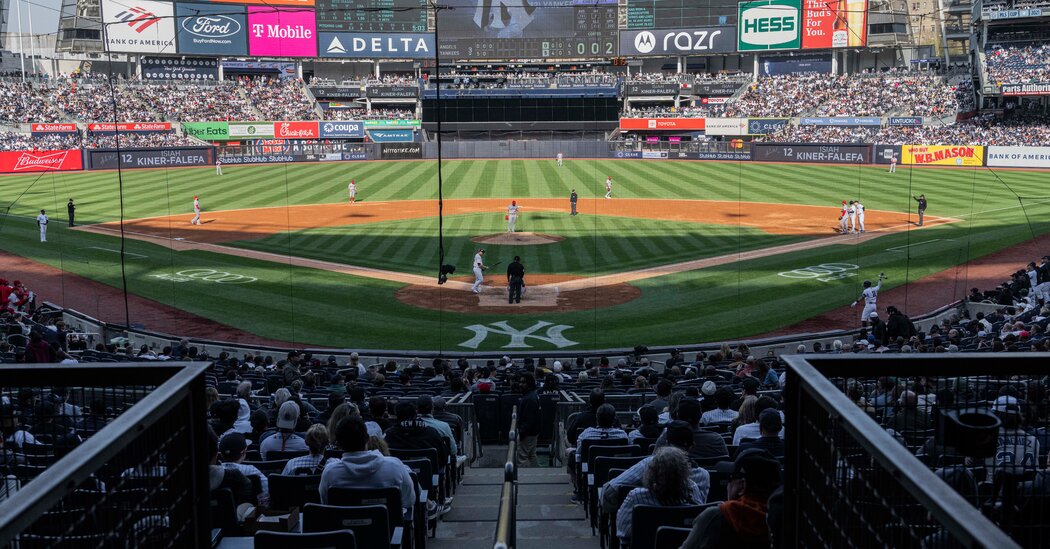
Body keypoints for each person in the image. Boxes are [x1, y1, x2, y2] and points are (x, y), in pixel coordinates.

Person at [680, 449, 782, 548]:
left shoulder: (717, 516)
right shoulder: (789, 520)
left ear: (742, 485)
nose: (728, 485)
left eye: (731, 478)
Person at [603, 421, 711, 514]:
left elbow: (609, 491)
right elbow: (698, 511)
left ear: (667, 443)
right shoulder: (704, 476)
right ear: (692, 446)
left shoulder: (648, 464)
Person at [319, 416, 415, 517]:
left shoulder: (330, 473)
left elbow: (326, 505)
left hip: (342, 530)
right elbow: (409, 501)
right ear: (367, 439)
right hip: (386, 531)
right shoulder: (395, 466)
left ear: (339, 444)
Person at [616, 446, 706, 543]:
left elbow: (623, 530)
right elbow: (698, 522)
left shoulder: (636, 497)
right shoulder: (693, 489)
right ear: (684, 472)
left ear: (651, 471)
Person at [516, 372, 540, 467]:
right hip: (532, 432)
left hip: (528, 433)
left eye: (523, 382)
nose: (520, 384)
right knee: (531, 455)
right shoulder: (532, 395)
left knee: (522, 457)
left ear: (529, 384)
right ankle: (537, 474)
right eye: (520, 382)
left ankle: (523, 478)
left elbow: (529, 420)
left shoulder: (530, 398)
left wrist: (522, 433)